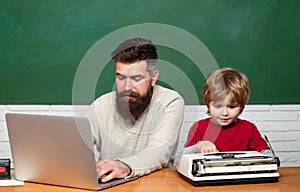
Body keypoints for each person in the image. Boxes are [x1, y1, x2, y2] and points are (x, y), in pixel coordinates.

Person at [82, 37, 184, 182]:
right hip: (108, 184)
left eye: (136, 78)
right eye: (121, 77)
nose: (127, 87)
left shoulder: (170, 101)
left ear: (153, 78)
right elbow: (74, 142)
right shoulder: (102, 104)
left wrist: (125, 166)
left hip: (155, 186)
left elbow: (159, 153)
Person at [183, 67, 272, 155]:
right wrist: (199, 146)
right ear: (208, 104)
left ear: (241, 106)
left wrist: (269, 156)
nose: (224, 113)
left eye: (232, 107)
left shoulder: (249, 129)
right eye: (217, 106)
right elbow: (182, 157)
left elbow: (266, 153)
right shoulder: (199, 128)